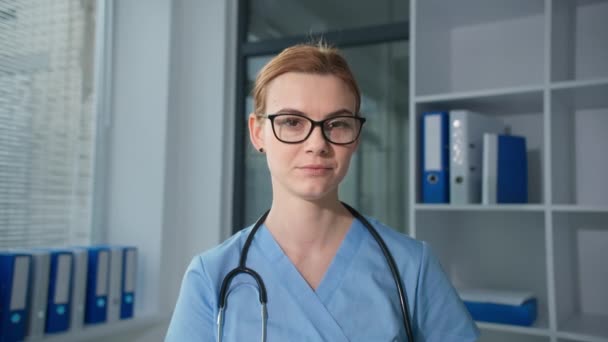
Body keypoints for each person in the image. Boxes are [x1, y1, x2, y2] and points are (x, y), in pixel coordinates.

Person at [165, 42, 479, 341]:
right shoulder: (211, 277)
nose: (317, 144)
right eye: (292, 122)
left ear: (356, 137)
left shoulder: (411, 267)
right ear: (257, 133)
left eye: (337, 124)